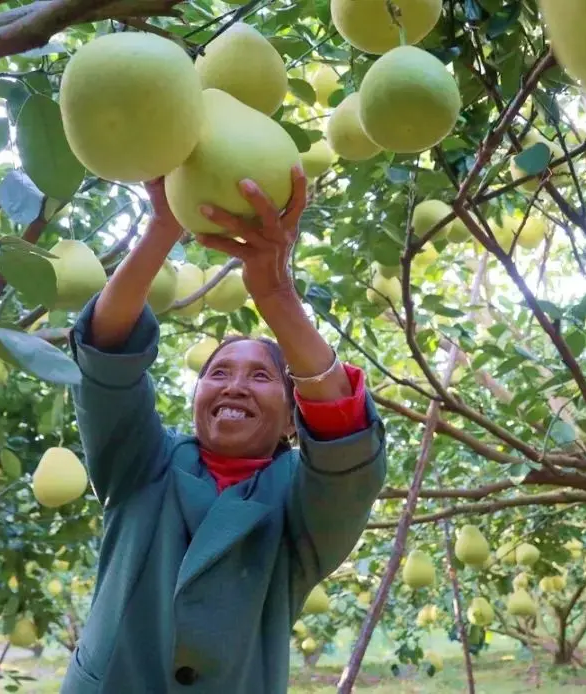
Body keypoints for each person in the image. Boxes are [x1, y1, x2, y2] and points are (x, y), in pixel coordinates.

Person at [59, 166, 387, 693]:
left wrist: (277, 294)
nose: (235, 385)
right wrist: (163, 226)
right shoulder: (145, 464)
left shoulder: (299, 507)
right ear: (197, 399)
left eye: (260, 376)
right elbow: (106, 353)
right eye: (218, 373)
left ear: (291, 415)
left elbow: (346, 448)